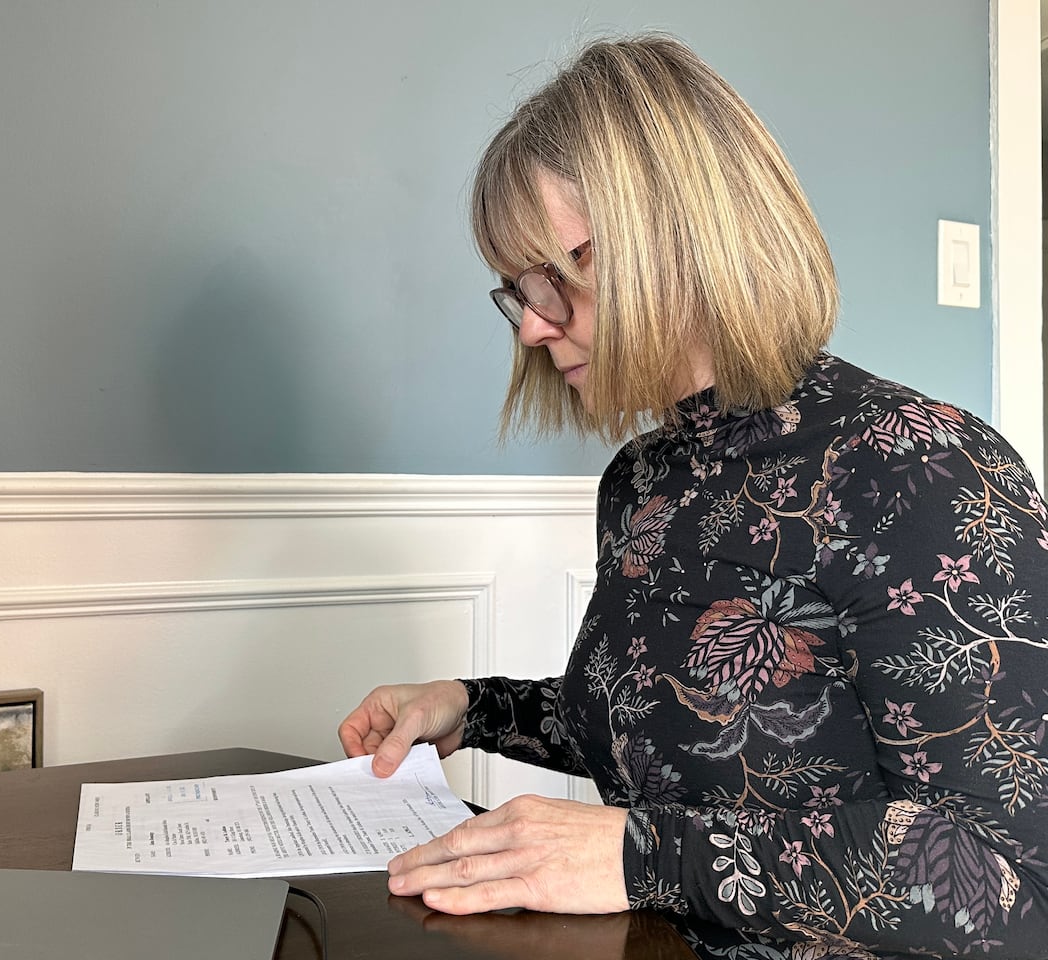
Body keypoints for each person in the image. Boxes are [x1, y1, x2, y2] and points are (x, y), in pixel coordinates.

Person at [338, 34, 1048, 960]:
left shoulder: (919, 472)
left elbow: (1010, 884)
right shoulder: (640, 481)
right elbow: (665, 717)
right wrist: (470, 709)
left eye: (555, 277)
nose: (534, 327)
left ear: (682, 231)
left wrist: (643, 855)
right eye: (517, 292)